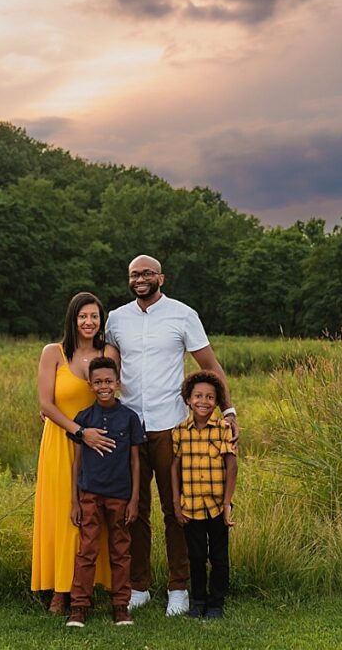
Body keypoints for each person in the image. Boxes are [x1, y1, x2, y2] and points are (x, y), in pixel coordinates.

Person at [104, 254, 238, 616]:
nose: (140, 279)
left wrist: (227, 410)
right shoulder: (116, 320)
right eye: (134, 274)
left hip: (169, 427)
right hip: (129, 426)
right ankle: (138, 585)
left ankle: (178, 587)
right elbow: (108, 370)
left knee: (176, 509)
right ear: (128, 279)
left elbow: (209, 367)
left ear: (161, 277)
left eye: (147, 273)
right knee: (135, 510)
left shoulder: (183, 314)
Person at [31, 292, 119, 613]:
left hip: (98, 444)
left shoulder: (107, 352)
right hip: (61, 442)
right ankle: (59, 589)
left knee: (94, 515)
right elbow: (46, 404)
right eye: (83, 316)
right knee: (61, 515)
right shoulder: (52, 353)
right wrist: (79, 431)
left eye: (94, 316)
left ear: (101, 321)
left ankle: (88, 585)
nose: (89, 322)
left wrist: (96, 434)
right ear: (72, 319)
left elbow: (111, 392)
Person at [65, 357, 145, 628]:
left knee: (121, 551)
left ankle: (121, 607)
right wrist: (74, 500)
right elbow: (77, 462)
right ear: (90, 385)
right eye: (98, 382)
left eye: (108, 381)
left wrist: (135, 499)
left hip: (120, 496)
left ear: (118, 383)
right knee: (86, 550)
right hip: (89, 494)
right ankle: (79, 607)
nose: (103, 386)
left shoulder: (130, 419)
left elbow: (135, 461)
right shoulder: (83, 420)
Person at [172, 370, 237, 619]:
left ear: (217, 401)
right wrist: (176, 503)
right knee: (196, 557)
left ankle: (216, 602)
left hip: (217, 506)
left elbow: (232, 465)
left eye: (210, 397)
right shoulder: (179, 432)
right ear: (188, 399)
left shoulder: (223, 429)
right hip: (191, 506)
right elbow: (173, 468)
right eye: (198, 395)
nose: (203, 401)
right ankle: (198, 600)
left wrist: (227, 502)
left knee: (219, 557)